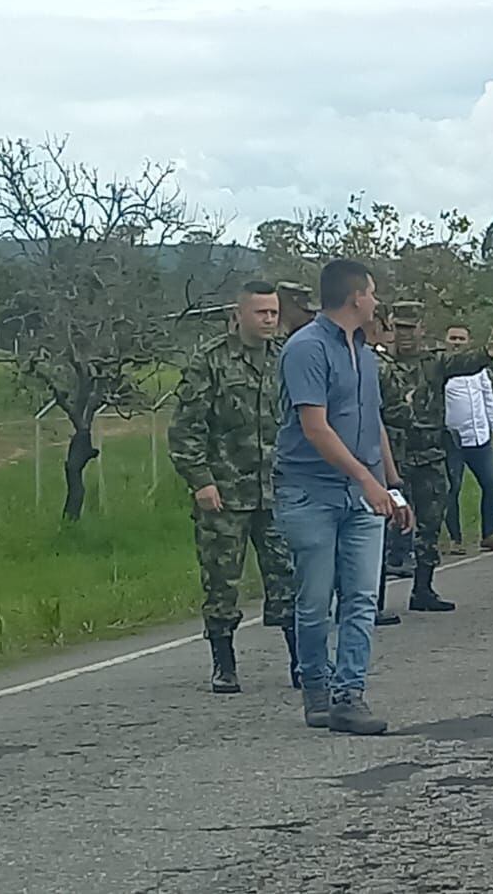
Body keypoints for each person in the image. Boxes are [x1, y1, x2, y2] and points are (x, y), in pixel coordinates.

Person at [274, 259, 412, 735]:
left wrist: (390, 486)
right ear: (356, 297)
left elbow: (371, 420)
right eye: (372, 294)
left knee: (361, 598)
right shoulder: (305, 349)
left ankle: (348, 694)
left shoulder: (366, 353)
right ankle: (316, 685)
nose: (376, 302)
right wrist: (365, 480)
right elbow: (315, 428)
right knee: (314, 600)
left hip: (363, 492)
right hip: (311, 490)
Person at [167, 281, 296, 694]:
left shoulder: (286, 358)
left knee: (289, 577)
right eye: (261, 312)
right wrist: (201, 480)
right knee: (222, 580)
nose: (269, 320)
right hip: (226, 492)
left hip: (278, 489)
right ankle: (224, 664)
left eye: (274, 312)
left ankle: (302, 663)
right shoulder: (211, 361)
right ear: (239, 315)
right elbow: (186, 427)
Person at [390, 304, 493, 612]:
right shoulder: (378, 362)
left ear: (421, 329)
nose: (405, 334)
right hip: (391, 455)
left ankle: (423, 589)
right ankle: (373, 600)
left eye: (410, 328)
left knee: (430, 522)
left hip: (428, 452)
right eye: (399, 327)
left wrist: (486, 353)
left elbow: (462, 362)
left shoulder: (434, 363)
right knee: (386, 526)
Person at [441, 324, 493, 555]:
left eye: (462, 338)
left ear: (469, 341)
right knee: (452, 488)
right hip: (452, 439)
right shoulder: (440, 369)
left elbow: (488, 398)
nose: (457, 342)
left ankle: (489, 535)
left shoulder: (478, 369)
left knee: (492, 485)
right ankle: (455, 539)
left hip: (479, 437)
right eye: (453, 338)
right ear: (446, 340)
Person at [368, 306, 406, 627]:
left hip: (386, 454)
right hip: (367, 461)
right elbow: (390, 412)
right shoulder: (372, 362)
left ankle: (369, 601)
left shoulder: (370, 359)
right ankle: (367, 602)